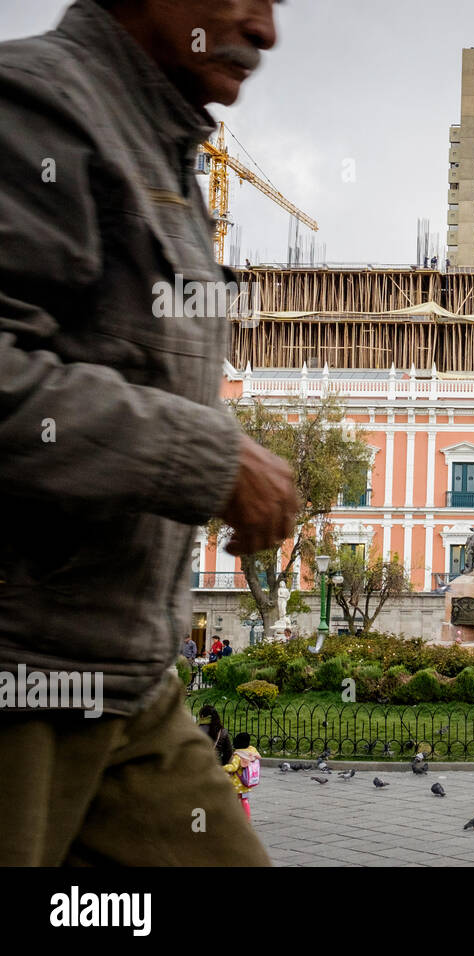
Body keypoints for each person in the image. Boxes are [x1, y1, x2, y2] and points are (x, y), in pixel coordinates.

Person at [0, 0, 294, 866]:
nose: (266, 30)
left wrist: (224, 456)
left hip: (126, 683)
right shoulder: (37, 109)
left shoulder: (163, 150)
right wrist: (211, 459)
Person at [223, 732, 261, 821]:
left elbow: (233, 767)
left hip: (237, 784)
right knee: (245, 801)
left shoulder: (238, 755)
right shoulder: (252, 751)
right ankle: (247, 819)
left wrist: (221, 767)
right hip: (247, 782)